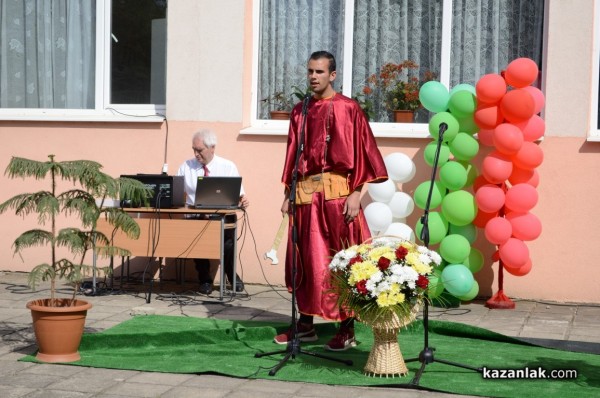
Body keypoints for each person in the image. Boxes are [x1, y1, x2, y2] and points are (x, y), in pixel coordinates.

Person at [276, 51, 388, 351]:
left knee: (343, 260)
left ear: (333, 75)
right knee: (307, 260)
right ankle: (306, 325)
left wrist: (356, 192)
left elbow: (364, 152)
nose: (313, 76)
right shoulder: (300, 111)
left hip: (339, 197)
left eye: (320, 72)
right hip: (305, 197)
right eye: (310, 71)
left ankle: (347, 328)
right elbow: (292, 154)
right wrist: (289, 193)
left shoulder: (349, 108)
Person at [177, 129, 249, 295]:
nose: (196, 154)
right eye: (194, 150)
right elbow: (177, 194)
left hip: (221, 216)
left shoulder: (227, 166)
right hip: (196, 216)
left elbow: (239, 194)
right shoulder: (186, 167)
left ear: (212, 148)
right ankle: (204, 279)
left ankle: (232, 276)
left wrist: (243, 199)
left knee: (228, 243)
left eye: (199, 150)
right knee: (198, 239)